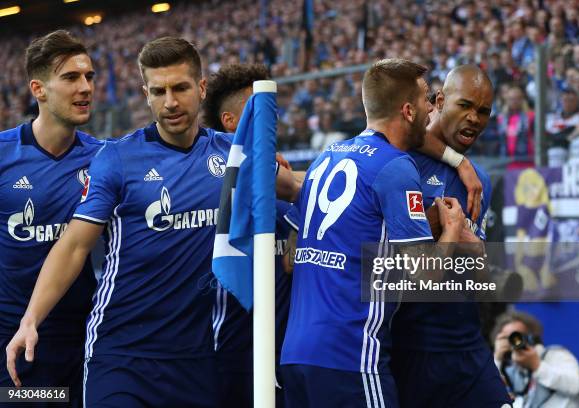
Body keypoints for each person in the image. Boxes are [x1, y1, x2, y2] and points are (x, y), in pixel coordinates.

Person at [5, 37, 300, 407]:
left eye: (180, 88)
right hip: (121, 356)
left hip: (197, 362)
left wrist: (296, 225)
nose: (170, 102)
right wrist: (31, 319)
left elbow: (298, 190)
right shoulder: (116, 159)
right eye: (158, 91)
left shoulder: (236, 157)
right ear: (146, 94)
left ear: (201, 88)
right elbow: (75, 244)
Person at [280, 58, 465, 408]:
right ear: (408, 110)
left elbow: (291, 259)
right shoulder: (396, 167)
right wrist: (452, 231)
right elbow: (424, 274)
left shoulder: (325, 157)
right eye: (427, 99)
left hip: (296, 357)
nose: (431, 109)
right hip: (351, 359)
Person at [390, 65, 512, 408]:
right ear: (439, 101)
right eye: (465, 106)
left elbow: (477, 275)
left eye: (484, 111)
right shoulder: (399, 161)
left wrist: (477, 252)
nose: (474, 118)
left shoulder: (480, 183)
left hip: (466, 345)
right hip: (410, 349)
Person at [0, 30, 100, 407]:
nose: (85, 87)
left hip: (84, 338)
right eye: (71, 78)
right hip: (17, 341)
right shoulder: (4, 156)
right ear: (39, 89)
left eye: (89, 76)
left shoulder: (103, 158)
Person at [202, 62, 294, 407]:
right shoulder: (214, 193)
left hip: (285, 360)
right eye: (262, 111)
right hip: (230, 357)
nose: (275, 121)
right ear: (231, 122)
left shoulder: (286, 194)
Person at [492, 311, 579, 408]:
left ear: (532, 337)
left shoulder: (555, 355)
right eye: (507, 338)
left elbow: (576, 386)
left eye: (518, 335)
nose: (514, 341)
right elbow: (488, 392)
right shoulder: (508, 367)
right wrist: (497, 359)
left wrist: (537, 366)